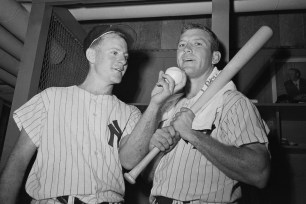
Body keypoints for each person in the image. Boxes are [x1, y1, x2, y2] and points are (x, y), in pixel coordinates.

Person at [0, 24, 186, 204]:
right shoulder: (50, 98)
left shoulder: (130, 113)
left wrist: (155, 104)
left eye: (125, 56)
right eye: (114, 52)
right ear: (92, 55)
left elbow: (129, 161)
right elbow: (18, 161)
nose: (123, 61)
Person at [146, 23, 271, 204]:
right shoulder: (170, 105)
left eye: (197, 44)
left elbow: (260, 174)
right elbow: (150, 178)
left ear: (215, 57)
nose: (187, 49)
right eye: (182, 45)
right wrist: (159, 150)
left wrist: (193, 135)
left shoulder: (233, 102)